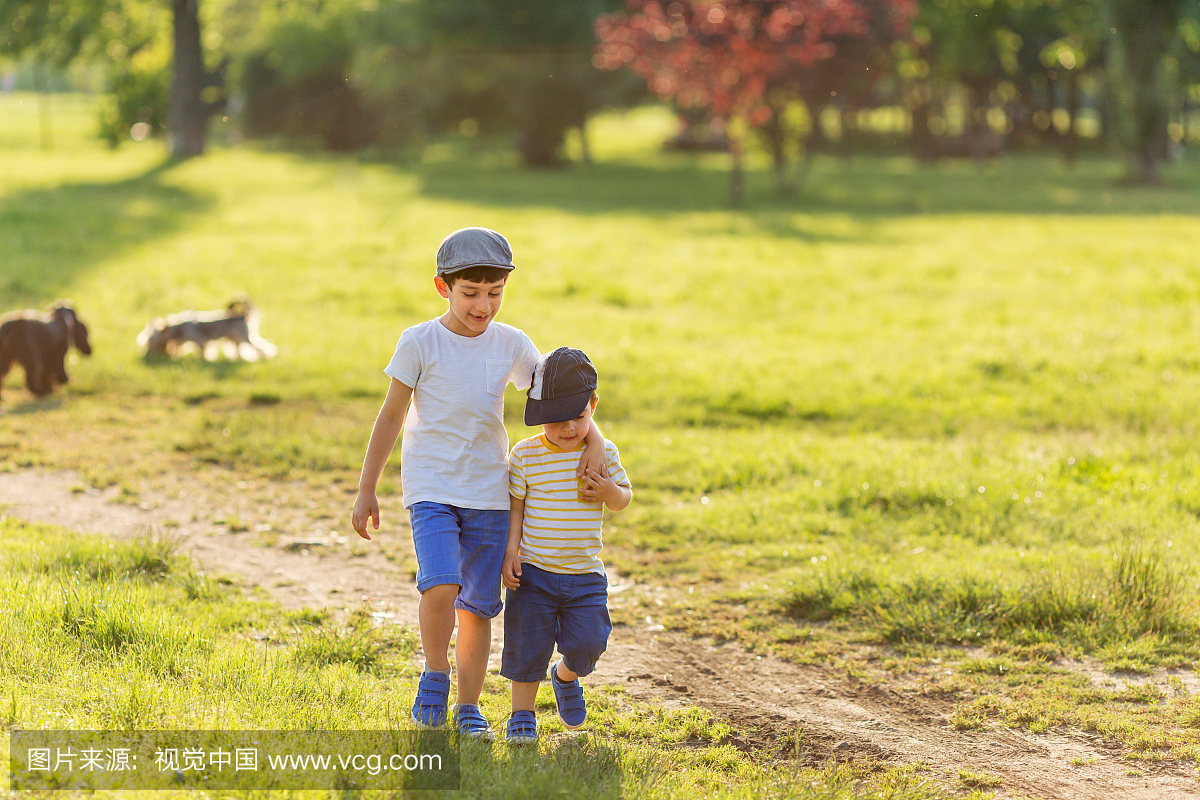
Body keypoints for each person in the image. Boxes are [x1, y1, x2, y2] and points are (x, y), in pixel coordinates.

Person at [351, 228, 606, 741]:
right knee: (442, 582)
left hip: (490, 492)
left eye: (495, 293)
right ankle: (434, 675)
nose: (483, 305)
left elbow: (558, 397)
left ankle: (469, 706)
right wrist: (367, 487)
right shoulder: (419, 342)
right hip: (432, 488)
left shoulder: (512, 344)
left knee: (479, 606)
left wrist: (595, 439)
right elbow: (391, 416)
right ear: (444, 288)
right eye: (471, 293)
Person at [500, 347, 633, 744]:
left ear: (593, 406)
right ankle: (521, 716)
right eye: (556, 421)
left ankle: (565, 675)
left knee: (591, 641)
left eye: (578, 417)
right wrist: (510, 552)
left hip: (584, 574)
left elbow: (624, 498)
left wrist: (610, 490)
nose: (569, 428)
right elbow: (517, 509)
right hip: (535, 571)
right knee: (526, 646)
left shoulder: (603, 452)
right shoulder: (525, 456)